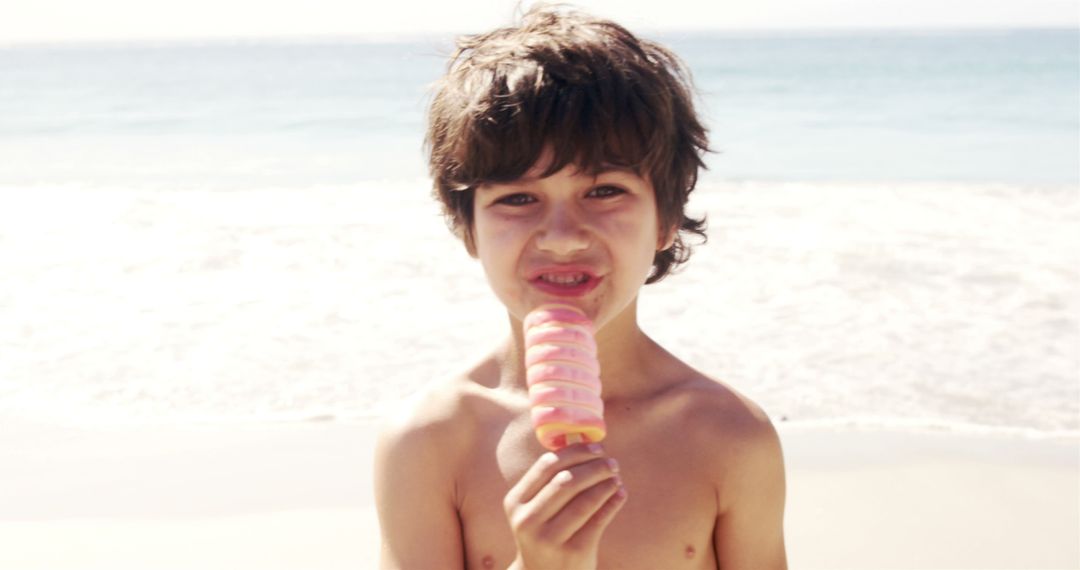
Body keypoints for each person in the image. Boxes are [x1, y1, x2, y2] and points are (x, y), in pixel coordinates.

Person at [375, 4, 787, 568]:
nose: (563, 237)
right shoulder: (430, 441)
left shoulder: (729, 436)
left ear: (665, 219)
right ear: (468, 229)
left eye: (605, 191)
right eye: (517, 198)